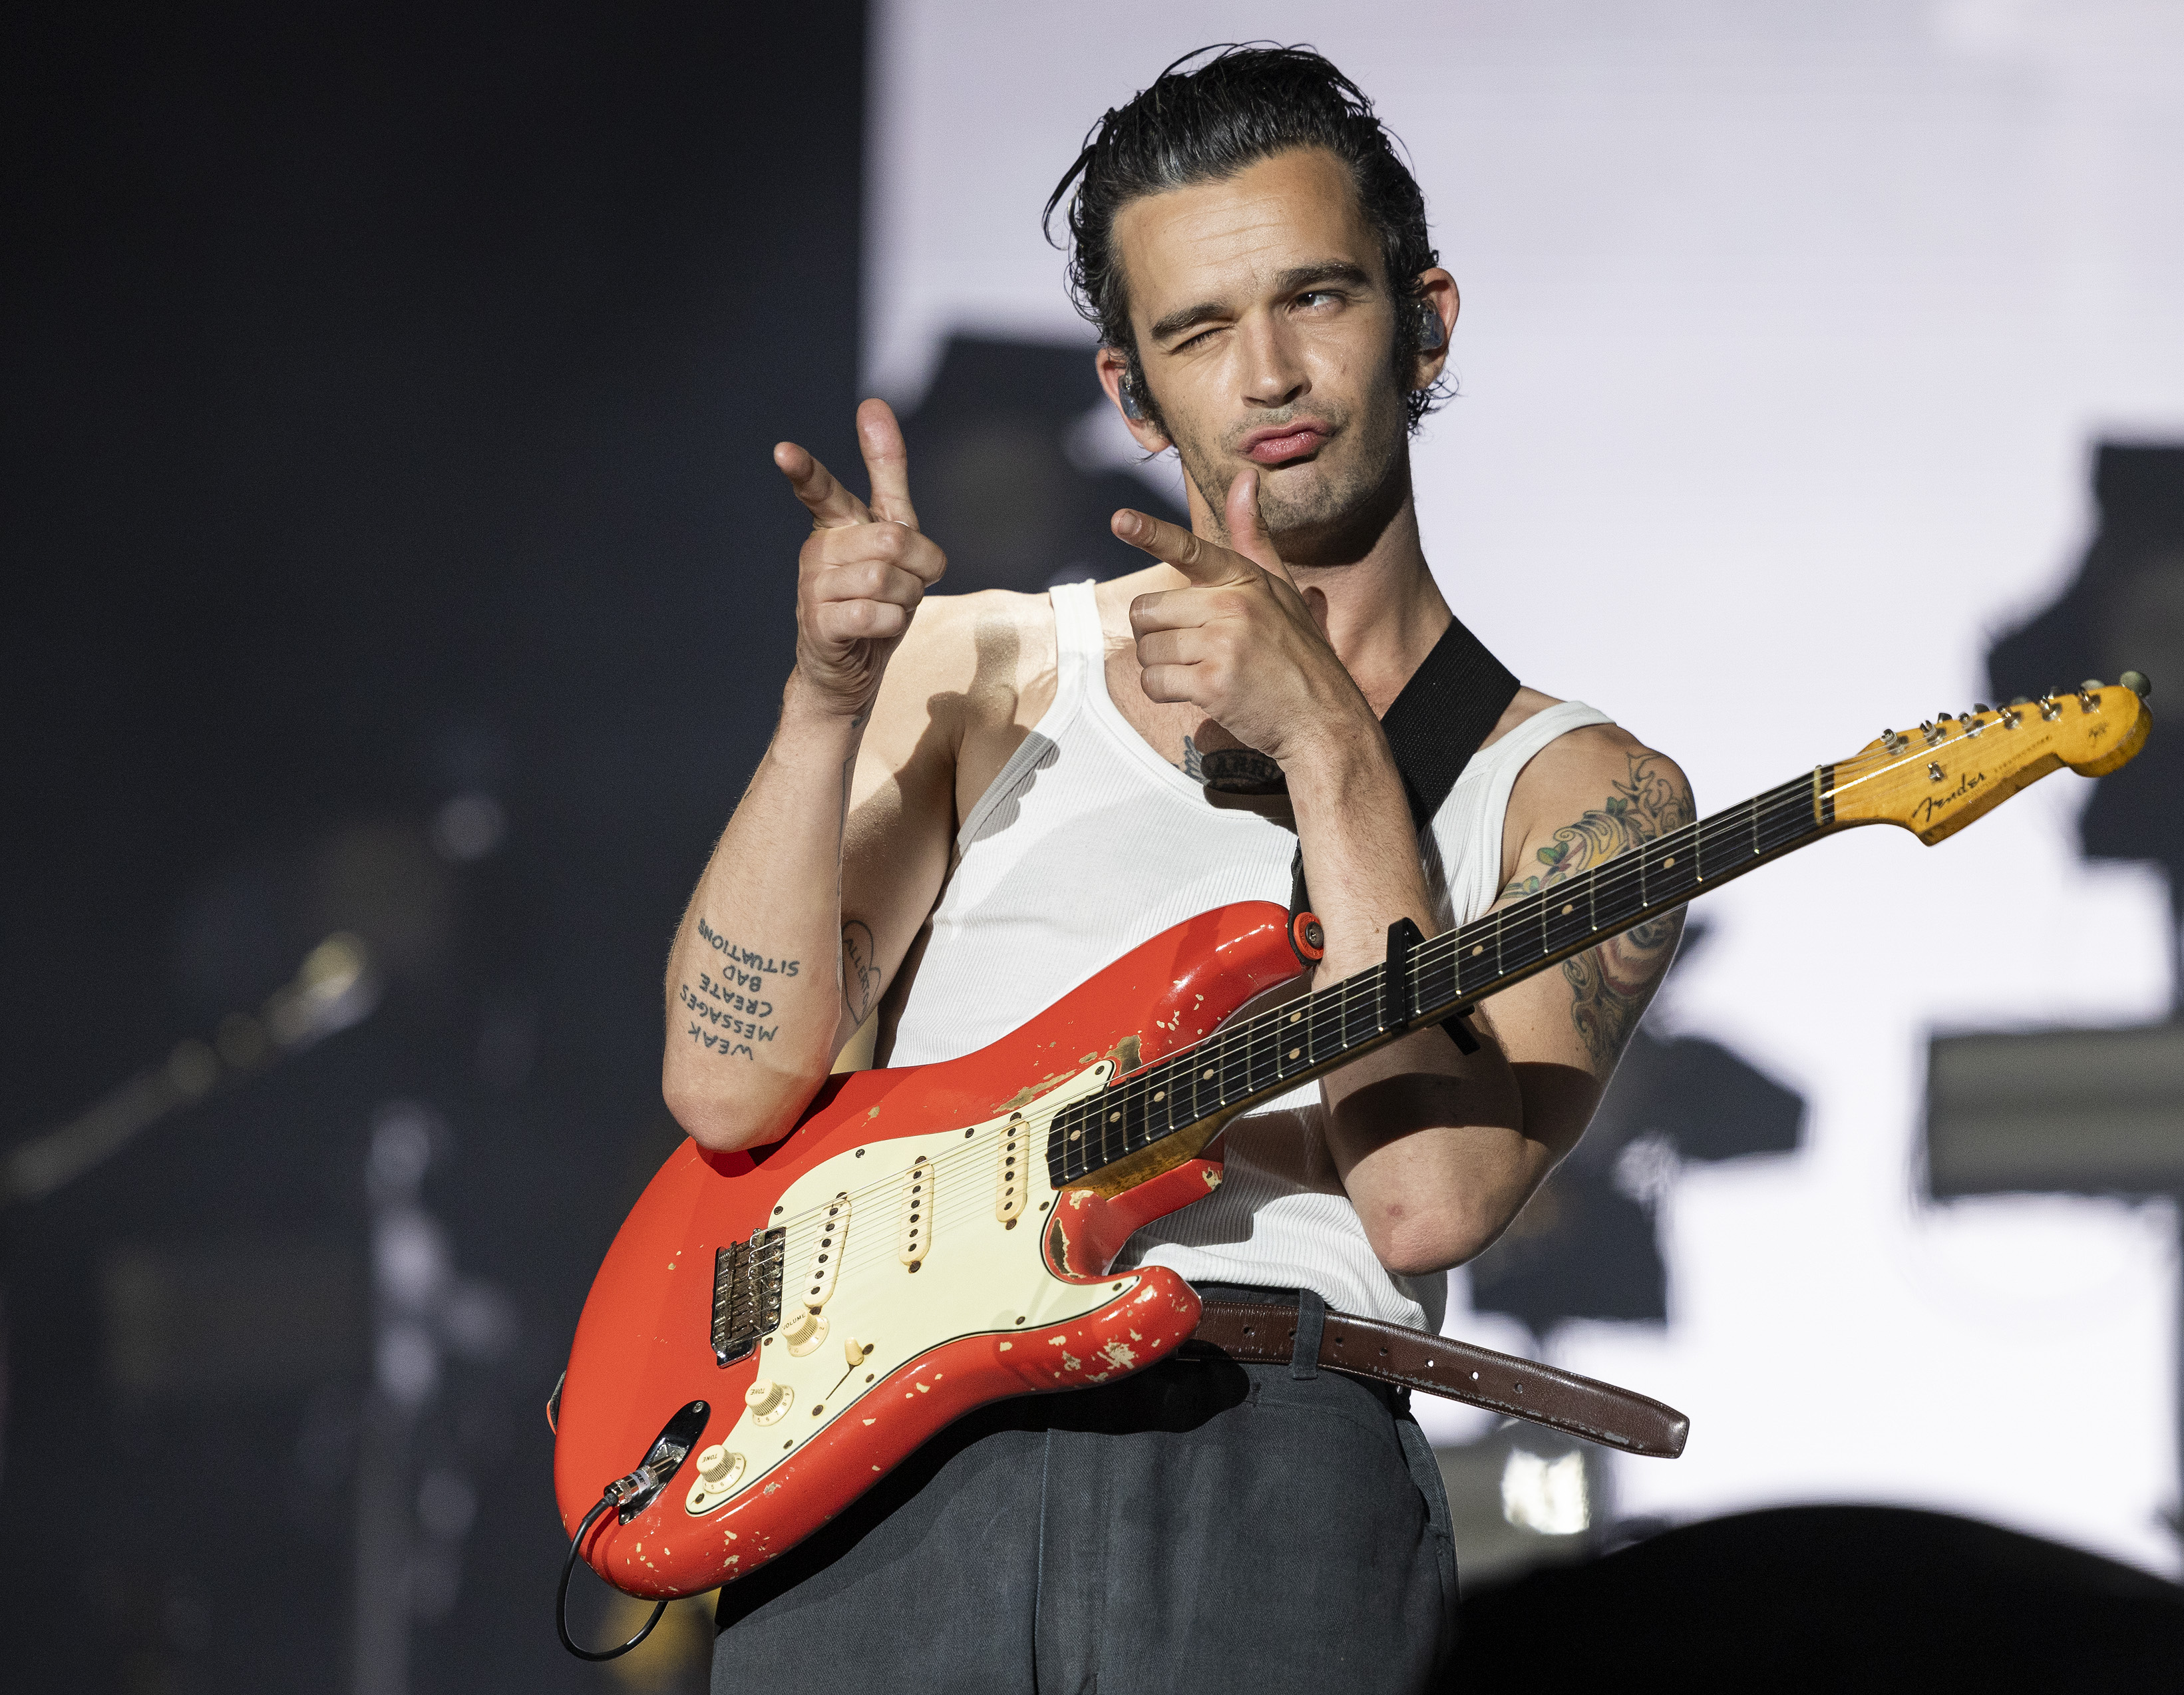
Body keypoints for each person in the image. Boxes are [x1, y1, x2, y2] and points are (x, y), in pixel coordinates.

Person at [663, 45, 1693, 1695]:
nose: (1270, 374)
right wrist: (820, 707)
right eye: (1200, 334)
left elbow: (1426, 1201)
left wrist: (1335, 750)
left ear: (1425, 317)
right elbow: (727, 1084)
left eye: (1317, 301)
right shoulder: (982, 670)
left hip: (1261, 1454)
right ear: (1131, 396)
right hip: (887, 1455)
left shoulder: (1584, 791)